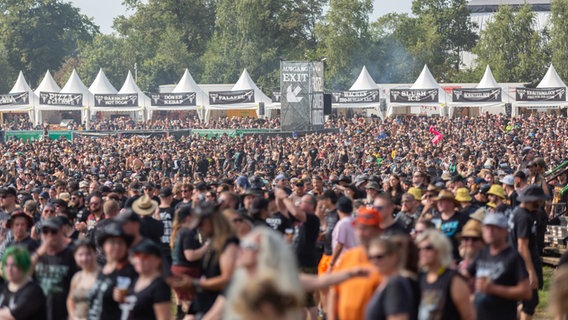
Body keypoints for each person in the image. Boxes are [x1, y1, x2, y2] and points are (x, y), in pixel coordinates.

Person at [168, 203, 238, 317]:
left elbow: (226, 280)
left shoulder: (228, 244)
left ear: (213, 222)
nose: (199, 228)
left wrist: (195, 283)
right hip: (204, 300)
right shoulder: (213, 244)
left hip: (219, 303)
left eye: (201, 224)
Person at [466, 214, 531, 320]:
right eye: (487, 227)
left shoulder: (513, 257)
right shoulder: (482, 253)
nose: (490, 231)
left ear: (505, 231)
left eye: (495, 227)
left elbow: (526, 292)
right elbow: (465, 275)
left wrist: (493, 289)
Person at [327, 206, 383, 320]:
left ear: (378, 231)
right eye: (358, 228)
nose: (361, 233)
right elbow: (334, 292)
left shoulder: (386, 259)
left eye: (366, 228)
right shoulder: (348, 256)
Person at [509, 184, 548, 320]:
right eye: (540, 199)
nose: (542, 202)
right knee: (529, 302)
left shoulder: (517, 213)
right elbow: (522, 246)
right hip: (523, 265)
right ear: (533, 199)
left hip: (517, 263)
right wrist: (531, 272)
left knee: (524, 301)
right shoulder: (524, 217)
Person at [416, 229, 474, 320]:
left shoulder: (453, 279)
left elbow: (469, 316)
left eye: (428, 248)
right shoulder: (420, 278)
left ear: (439, 249)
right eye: (419, 249)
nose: (423, 252)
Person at [88, 220, 137, 320]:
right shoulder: (101, 270)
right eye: (112, 243)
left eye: (121, 243)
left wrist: (127, 297)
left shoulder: (131, 271)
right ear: (103, 246)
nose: (117, 247)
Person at [32, 217, 79, 320]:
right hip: (39, 313)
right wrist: (39, 253)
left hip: (62, 313)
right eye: (45, 231)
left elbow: (78, 288)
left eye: (53, 231)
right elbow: (23, 274)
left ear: (61, 232)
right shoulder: (37, 255)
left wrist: (72, 314)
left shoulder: (71, 255)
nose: (49, 235)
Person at [116, 240, 171, 320]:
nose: (140, 260)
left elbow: (164, 318)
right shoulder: (135, 281)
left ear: (157, 260)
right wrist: (121, 299)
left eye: (146, 256)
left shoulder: (160, 286)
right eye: (137, 256)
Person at [365, 237, 418, 320]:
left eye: (379, 257)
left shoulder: (396, 284)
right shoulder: (386, 282)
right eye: (370, 257)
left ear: (394, 256)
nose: (374, 261)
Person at [170, 205, 208, 319]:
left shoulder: (180, 231)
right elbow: (190, 256)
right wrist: (207, 246)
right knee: (191, 307)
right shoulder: (187, 232)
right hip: (186, 271)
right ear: (188, 218)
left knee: (189, 307)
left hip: (179, 269)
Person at [0, 246, 46, 320]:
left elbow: (13, 315)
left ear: (23, 265)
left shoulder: (33, 291)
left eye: (14, 265)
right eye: (6, 265)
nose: (9, 269)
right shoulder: (3, 288)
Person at [67, 240, 100, 320]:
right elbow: (70, 300)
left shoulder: (103, 275)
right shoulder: (77, 277)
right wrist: (73, 316)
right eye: (80, 255)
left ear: (95, 253)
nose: (84, 258)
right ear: (75, 256)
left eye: (88, 254)